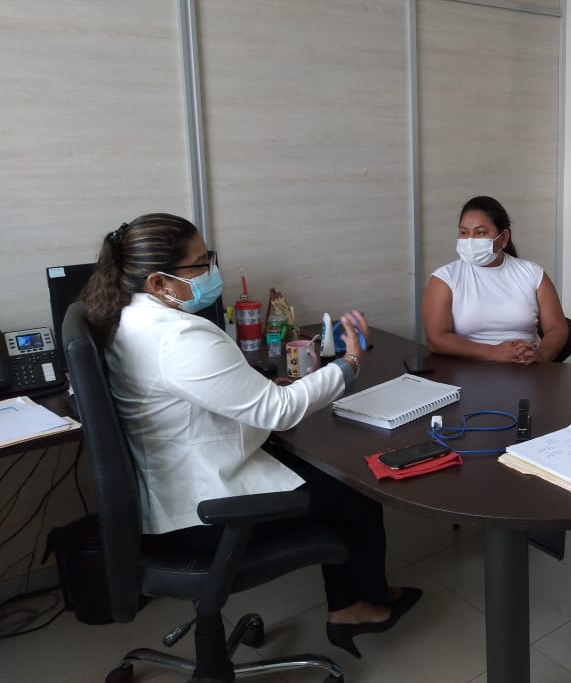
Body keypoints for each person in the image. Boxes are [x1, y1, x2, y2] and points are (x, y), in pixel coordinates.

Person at [80, 213, 420, 659]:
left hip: (169, 491)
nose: (210, 272)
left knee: (329, 480)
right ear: (159, 283)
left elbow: (191, 395)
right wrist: (349, 363)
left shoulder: (124, 320)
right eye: (199, 264)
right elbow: (279, 411)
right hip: (204, 514)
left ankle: (351, 602)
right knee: (354, 491)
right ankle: (361, 605)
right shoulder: (179, 337)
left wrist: (258, 388)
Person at [422, 195, 569, 364]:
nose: (470, 240)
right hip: (467, 370)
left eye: (480, 233)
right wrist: (493, 352)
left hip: (525, 369)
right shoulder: (445, 278)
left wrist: (540, 356)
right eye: (464, 232)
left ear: (504, 238)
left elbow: (557, 328)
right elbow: (436, 339)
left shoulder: (533, 274)